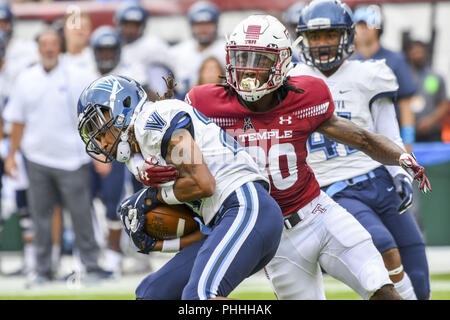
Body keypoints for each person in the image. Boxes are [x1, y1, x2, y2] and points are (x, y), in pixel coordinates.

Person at [183, 13, 431, 300]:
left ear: (281, 62)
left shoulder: (306, 95)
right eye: (241, 58)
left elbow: (362, 137)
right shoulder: (205, 105)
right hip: (273, 235)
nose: (248, 70)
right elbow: (174, 146)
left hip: (319, 214)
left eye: (259, 60)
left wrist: (401, 158)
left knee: (380, 287)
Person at [76, 74, 284, 300]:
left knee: (200, 297)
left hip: (246, 206)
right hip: (222, 219)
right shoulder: (139, 151)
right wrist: (158, 243)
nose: (101, 142)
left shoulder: (151, 121)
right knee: (152, 294)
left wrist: (155, 196)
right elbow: (199, 233)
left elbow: (203, 184)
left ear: (120, 106)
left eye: (98, 125)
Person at [290, 0, 430, 300]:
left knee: (415, 261)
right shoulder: (292, 81)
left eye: (330, 34)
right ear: (304, 38)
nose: (323, 43)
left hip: (377, 177)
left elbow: (386, 129)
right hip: (332, 186)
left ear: (347, 36)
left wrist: (401, 172)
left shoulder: (371, 74)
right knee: (383, 246)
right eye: (316, 36)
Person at [2, 28, 110, 287]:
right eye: (44, 44)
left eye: (53, 44)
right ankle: (42, 270)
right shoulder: (25, 79)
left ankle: (92, 266)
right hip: (37, 158)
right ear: (38, 49)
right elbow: (17, 120)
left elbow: (95, 115)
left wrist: (100, 151)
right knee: (40, 216)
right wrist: (12, 156)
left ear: (59, 47)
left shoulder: (78, 75)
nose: (49, 49)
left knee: (81, 214)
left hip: (73, 160)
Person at [351, 4, 418, 153]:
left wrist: (407, 144)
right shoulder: (349, 63)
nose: (362, 29)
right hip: (358, 144)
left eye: (367, 24)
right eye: (359, 25)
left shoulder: (395, 60)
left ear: (378, 27)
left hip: (391, 140)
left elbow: (406, 105)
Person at [114, 3, 174, 99]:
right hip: (123, 90)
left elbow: (171, 70)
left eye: (134, 26)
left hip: (150, 91)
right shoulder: (115, 44)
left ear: (142, 26)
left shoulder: (153, 44)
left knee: (157, 70)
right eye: (127, 25)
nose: (130, 30)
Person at [170, 0, 226, 98]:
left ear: (216, 25)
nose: (203, 29)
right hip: (184, 101)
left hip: (221, 98)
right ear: (191, 26)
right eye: (199, 25)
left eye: (208, 24)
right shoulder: (178, 51)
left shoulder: (227, 50)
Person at [405, 40, 449, 142]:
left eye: (420, 52)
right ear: (408, 54)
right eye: (415, 52)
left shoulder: (435, 76)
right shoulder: (403, 77)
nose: (418, 56)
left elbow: (443, 104)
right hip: (407, 131)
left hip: (431, 132)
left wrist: (430, 121)